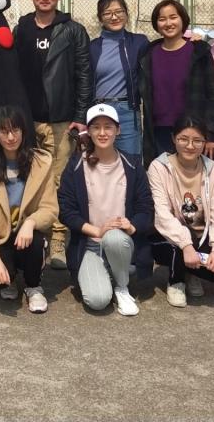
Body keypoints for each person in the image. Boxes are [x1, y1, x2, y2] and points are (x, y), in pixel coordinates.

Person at [13, 0, 92, 271]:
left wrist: (80, 117)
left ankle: (57, 238)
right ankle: (31, 233)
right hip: (27, 121)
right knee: (27, 180)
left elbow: (84, 75)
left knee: (59, 181)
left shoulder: (73, 30)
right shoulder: (22, 29)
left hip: (61, 120)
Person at [57, 104, 153, 316]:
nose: (102, 133)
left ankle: (122, 286)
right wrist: (97, 231)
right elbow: (66, 210)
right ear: (89, 131)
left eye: (108, 127)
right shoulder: (76, 165)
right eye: (96, 127)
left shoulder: (132, 164)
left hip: (122, 243)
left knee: (114, 238)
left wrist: (132, 226)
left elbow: (146, 208)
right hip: (91, 246)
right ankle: (108, 272)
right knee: (98, 300)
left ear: (118, 130)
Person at [0, 105, 58, 314]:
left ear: (23, 131)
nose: (11, 137)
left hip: (27, 236)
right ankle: (7, 278)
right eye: (4, 131)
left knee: (35, 240)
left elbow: (50, 208)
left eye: (15, 130)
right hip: (1, 237)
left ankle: (33, 286)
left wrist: (30, 222)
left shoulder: (41, 163)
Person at [148, 116, 214, 307]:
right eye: (183, 139)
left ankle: (190, 272)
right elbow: (162, 214)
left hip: (201, 235)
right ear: (173, 138)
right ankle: (176, 280)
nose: (190, 146)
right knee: (177, 249)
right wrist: (186, 245)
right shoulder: (159, 167)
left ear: (204, 142)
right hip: (169, 236)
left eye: (197, 141)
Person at [137, 0, 214, 166]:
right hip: (159, 133)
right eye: (162, 19)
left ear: (183, 19)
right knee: (163, 178)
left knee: (196, 179)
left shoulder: (199, 51)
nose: (168, 23)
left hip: (194, 132)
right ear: (156, 24)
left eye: (173, 17)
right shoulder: (148, 53)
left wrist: (212, 135)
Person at [88, 0, 150, 168]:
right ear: (100, 17)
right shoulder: (92, 47)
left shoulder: (139, 42)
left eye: (119, 11)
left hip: (127, 111)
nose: (114, 17)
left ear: (126, 13)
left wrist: (191, 39)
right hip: (99, 111)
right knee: (99, 164)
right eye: (107, 13)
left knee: (130, 163)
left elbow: (164, 50)